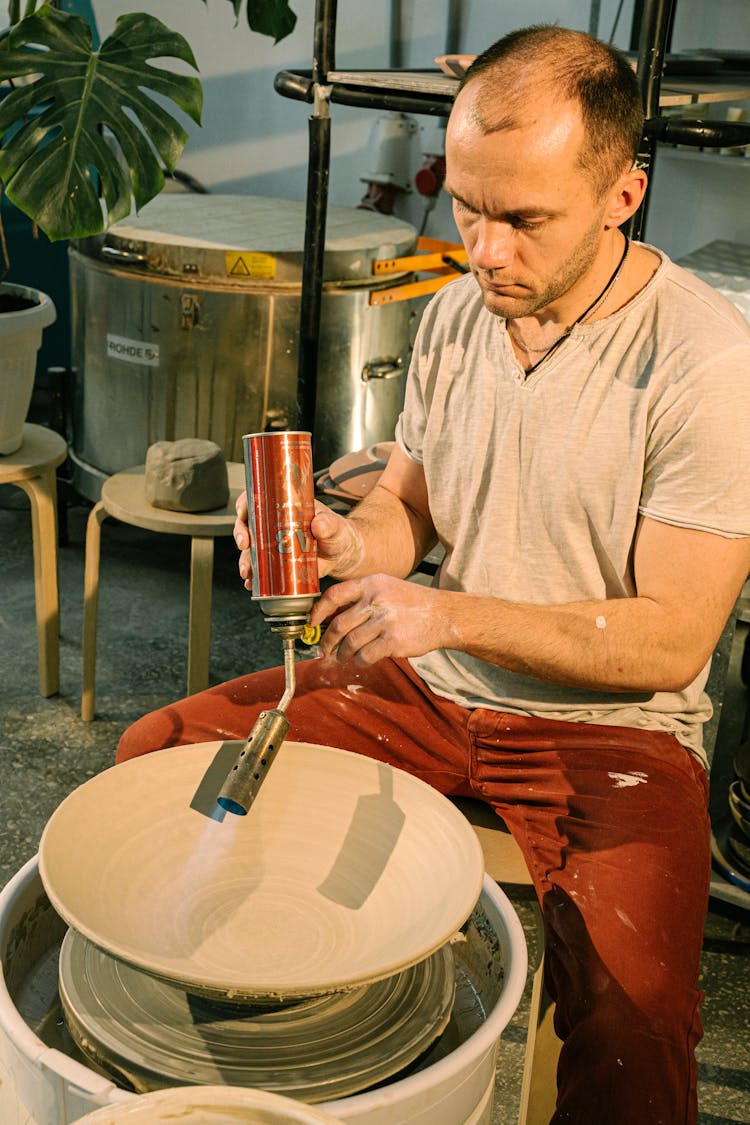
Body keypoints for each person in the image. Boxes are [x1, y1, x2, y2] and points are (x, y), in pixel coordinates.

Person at [117, 25, 750, 1125]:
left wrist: (441, 611)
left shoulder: (702, 362)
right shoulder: (460, 316)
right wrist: (350, 545)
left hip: (617, 735)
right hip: (428, 689)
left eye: (523, 219)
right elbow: (410, 504)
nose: (485, 251)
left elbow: (671, 641)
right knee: (155, 768)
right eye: (467, 206)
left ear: (622, 193)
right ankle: (264, 1067)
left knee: (634, 1013)